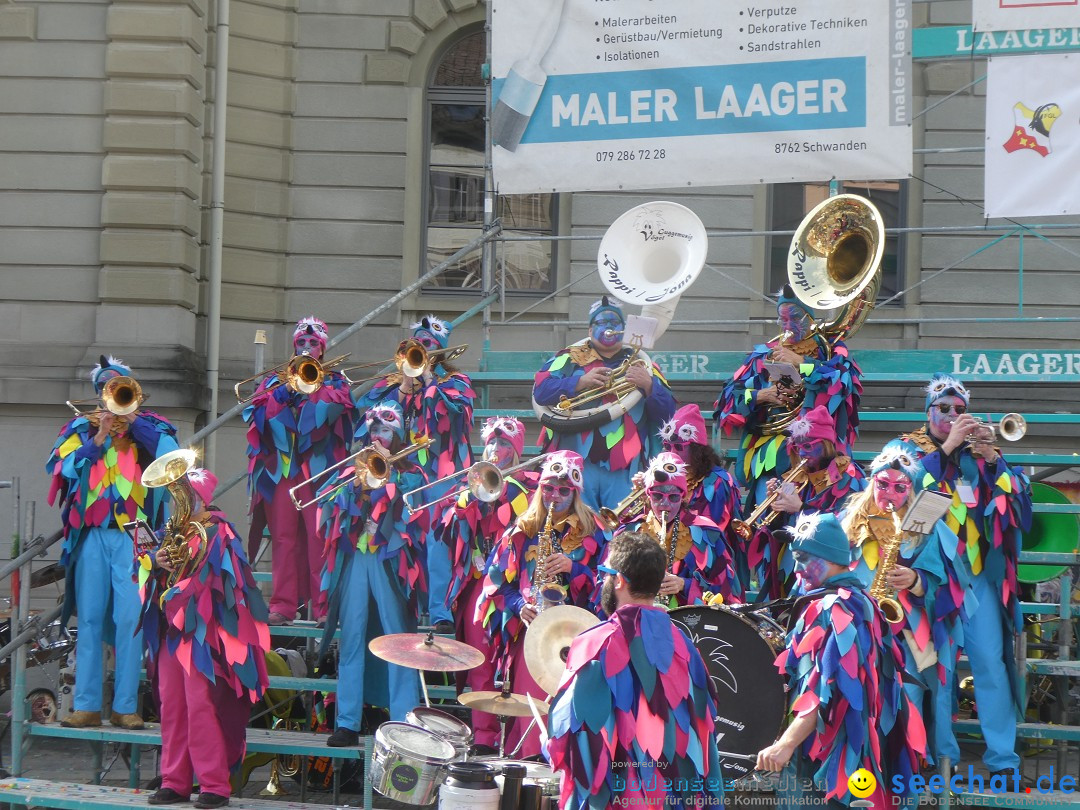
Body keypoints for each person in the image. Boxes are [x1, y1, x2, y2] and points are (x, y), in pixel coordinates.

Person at [899, 373, 1032, 781]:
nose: (954, 416)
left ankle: (1002, 761)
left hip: (977, 579)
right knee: (936, 672)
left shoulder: (981, 455)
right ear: (928, 413)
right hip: (932, 581)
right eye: (945, 409)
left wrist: (994, 461)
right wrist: (950, 446)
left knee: (990, 665)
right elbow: (906, 495)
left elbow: (1022, 514)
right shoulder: (906, 449)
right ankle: (941, 758)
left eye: (960, 410)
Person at [756, 512, 925, 809]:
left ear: (832, 558)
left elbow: (824, 691)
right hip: (845, 756)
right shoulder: (860, 601)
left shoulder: (833, 607)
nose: (797, 567)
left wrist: (786, 744)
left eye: (805, 558)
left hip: (826, 758)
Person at [546, 531, 725, 810]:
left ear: (618, 580)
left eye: (604, 573)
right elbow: (704, 746)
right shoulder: (687, 648)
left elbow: (575, 747)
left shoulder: (592, 645)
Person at [46, 355, 179, 729]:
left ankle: (125, 707)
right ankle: (86, 705)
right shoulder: (79, 428)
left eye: (120, 387)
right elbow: (64, 469)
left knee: (130, 618)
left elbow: (172, 458)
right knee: (88, 617)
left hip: (136, 532)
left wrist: (135, 422)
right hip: (91, 533)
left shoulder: (151, 427)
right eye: (107, 389)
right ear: (98, 393)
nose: (113, 395)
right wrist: (99, 438)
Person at [138, 459, 270, 808]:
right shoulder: (173, 531)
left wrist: (179, 590)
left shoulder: (218, 531)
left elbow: (218, 583)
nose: (179, 500)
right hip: (171, 632)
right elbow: (151, 577)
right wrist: (154, 560)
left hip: (200, 635)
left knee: (200, 707)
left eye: (186, 494)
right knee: (171, 706)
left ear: (202, 497)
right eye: (176, 494)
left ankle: (213, 785)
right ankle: (174, 781)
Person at [844, 441, 975, 771]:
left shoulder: (926, 528)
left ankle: (916, 759)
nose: (889, 493)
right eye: (882, 484)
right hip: (856, 627)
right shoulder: (845, 521)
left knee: (912, 693)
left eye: (899, 487)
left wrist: (916, 580)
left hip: (909, 633)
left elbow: (945, 584)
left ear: (911, 489)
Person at [476, 450, 607, 758]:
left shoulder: (596, 531)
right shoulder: (522, 530)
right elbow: (497, 582)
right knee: (533, 720)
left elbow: (607, 585)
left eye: (563, 490)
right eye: (548, 488)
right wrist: (517, 604)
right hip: (532, 635)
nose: (554, 496)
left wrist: (575, 569)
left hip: (578, 638)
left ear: (574, 492)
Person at [317, 400, 429, 747]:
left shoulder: (410, 471)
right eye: (372, 430)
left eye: (383, 430)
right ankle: (347, 721)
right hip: (357, 559)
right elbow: (324, 504)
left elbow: (415, 512)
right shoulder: (351, 469)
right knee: (350, 637)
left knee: (400, 640)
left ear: (396, 435)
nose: (376, 437)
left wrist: (387, 480)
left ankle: (403, 720)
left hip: (390, 561)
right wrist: (355, 485)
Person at [356, 314, 474, 633]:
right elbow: (364, 412)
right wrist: (403, 389)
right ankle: (399, 605)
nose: (420, 350)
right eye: (417, 344)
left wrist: (429, 383)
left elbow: (457, 417)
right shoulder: (394, 386)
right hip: (403, 470)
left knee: (437, 537)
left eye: (429, 345)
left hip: (441, 470)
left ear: (440, 353)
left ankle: (439, 609)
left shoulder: (454, 382)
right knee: (398, 536)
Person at [244, 316, 357, 625]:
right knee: (282, 537)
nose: (307, 348)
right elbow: (256, 416)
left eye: (313, 344)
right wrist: (280, 398)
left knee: (318, 537)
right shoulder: (275, 381)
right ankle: (282, 605)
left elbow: (344, 409)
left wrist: (313, 394)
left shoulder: (335, 380)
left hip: (318, 470)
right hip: (282, 468)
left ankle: (322, 608)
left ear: (322, 348)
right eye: (301, 343)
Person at [714, 284, 861, 517]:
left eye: (795, 318)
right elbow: (729, 397)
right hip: (770, 451)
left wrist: (801, 361)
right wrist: (761, 395)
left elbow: (841, 384)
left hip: (815, 454)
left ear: (809, 317)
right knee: (766, 519)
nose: (788, 326)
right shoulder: (765, 353)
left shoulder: (831, 351)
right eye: (782, 319)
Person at [435, 416, 535, 752]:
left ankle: (523, 739)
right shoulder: (470, 486)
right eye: (491, 443)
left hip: (515, 588)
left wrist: (498, 493)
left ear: (516, 451)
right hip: (479, 584)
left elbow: (524, 521)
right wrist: (469, 498)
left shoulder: (528, 489)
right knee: (478, 660)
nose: (495, 449)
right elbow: (448, 527)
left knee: (520, 662)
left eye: (504, 444)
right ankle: (484, 737)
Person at [533, 296, 676, 511]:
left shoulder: (643, 366)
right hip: (576, 461)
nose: (608, 328)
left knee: (623, 528)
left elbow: (668, 416)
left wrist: (649, 386)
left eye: (614, 323)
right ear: (590, 331)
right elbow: (541, 392)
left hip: (627, 465)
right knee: (576, 528)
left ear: (624, 329)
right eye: (600, 323)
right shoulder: (568, 359)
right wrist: (580, 382)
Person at [747, 404, 865, 600]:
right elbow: (782, 531)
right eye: (797, 446)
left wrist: (801, 508)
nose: (801, 453)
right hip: (795, 567)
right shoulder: (796, 477)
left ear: (826, 444)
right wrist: (777, 507)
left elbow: (846, 529)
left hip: (831, 572)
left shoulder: (850, 476)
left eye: (808, 446)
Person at [607, 452, 741, 609]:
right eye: (657, 496)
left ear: (683, 497)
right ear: (648, 495)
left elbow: (727, 588)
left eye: (673, 497)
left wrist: (685, 584)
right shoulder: (629, 531)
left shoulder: (706, 531)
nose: (665, 504)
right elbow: (608, 586)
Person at [657, 403, 744, 579]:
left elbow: (709, 535)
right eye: (668, 446)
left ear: (697, 449)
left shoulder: (719, 482)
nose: (672, 453)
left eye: (679, 447)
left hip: (710, 571)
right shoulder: (663, 478)